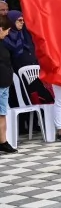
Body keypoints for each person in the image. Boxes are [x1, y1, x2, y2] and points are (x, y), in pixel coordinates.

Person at [0, 16, 18, 153]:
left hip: (5, 84)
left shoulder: (4, 43)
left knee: (2, 114)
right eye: (6, 30)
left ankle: (3, 141)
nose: (8, 33)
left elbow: (16, 48)